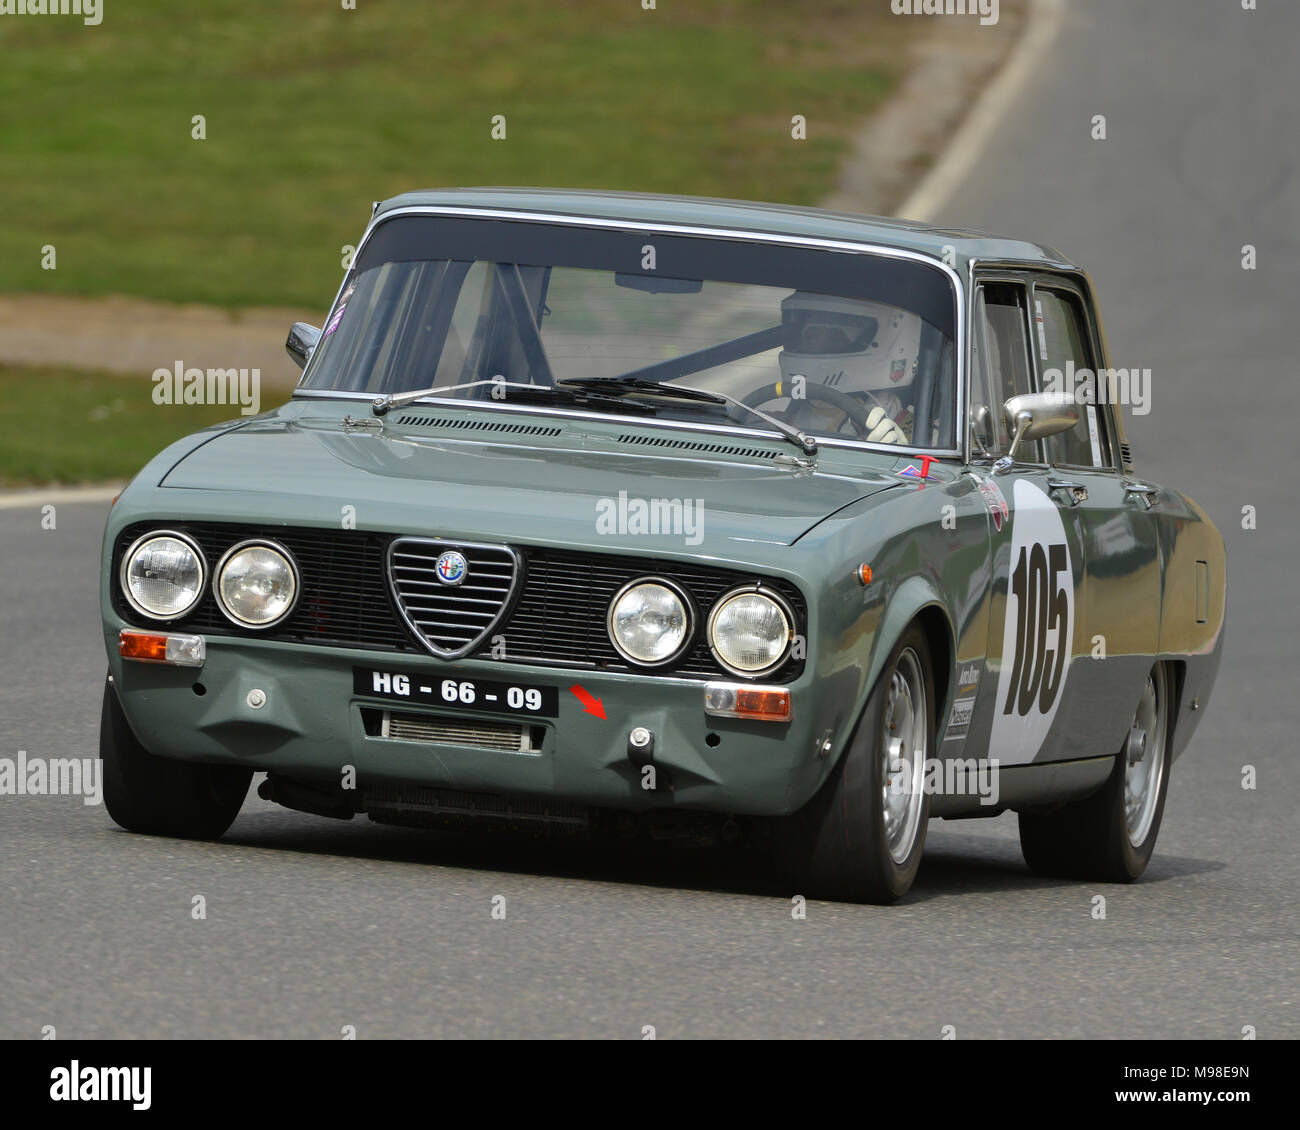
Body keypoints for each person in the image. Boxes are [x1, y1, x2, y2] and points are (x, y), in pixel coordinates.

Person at [777, 291, 921, 444]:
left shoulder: (924, 439)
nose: (817, 346)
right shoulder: (775, 421)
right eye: (811, 338)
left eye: (835, 339)